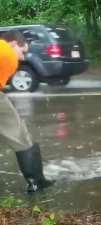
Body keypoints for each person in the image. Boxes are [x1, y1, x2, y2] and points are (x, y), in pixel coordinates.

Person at [0, 30, 53, 193]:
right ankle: (36, 182)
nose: (23, 57)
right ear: (13, 43)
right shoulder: (8, 53)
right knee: (20, 135)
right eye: (23, 51)